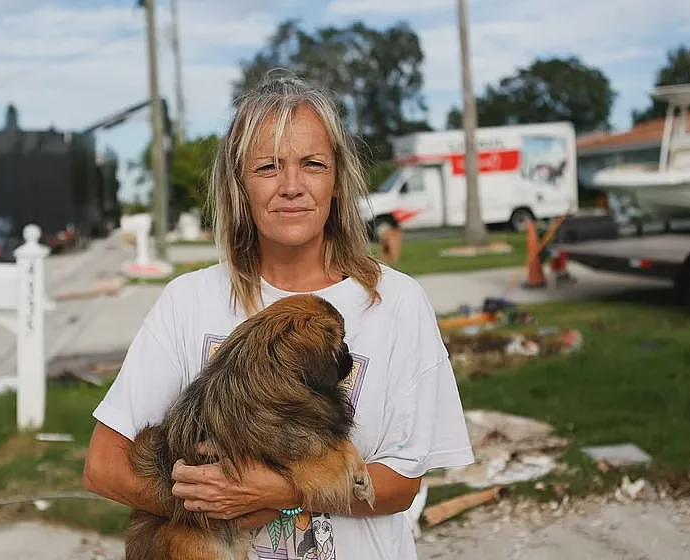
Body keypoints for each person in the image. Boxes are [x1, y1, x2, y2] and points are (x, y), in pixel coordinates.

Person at [83, 72, 474, 559]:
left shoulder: (397, 302)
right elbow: (104, 467)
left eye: (312, 164)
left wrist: (281, 493)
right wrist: (209, 503)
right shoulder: (188, 300)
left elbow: (401, 487)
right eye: (267, 167)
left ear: (337, 180)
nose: (292, 186)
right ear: (239, 184)